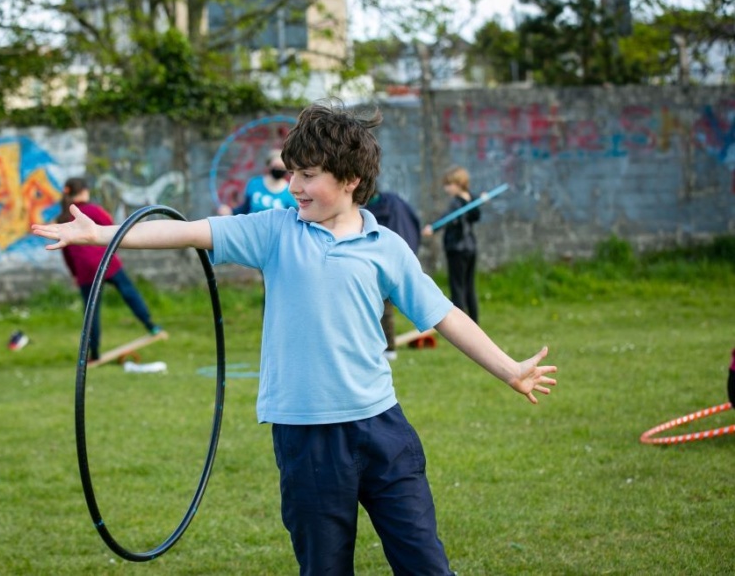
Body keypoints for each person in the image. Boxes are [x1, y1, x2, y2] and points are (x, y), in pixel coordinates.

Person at [33, 101, 557, 575]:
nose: (295, 186)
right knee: (324, 567)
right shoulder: (276, 231)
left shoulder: (386, 247)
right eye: (292, 174)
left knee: (424, 559)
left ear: (350, 178)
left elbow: (445, 315)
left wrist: (509, 368)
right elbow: (190, 230)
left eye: (308, 175)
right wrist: (101, 234)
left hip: (382, 428)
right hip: (306, 437)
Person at [54, 177, 162, 362]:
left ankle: (94, 353)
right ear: (84, 191)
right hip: (106, 262)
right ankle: (151, 326)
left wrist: (74, 274)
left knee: (91, 312)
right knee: (128, 292)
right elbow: (111, 225)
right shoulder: (92, 210)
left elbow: (65, 253)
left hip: (84, 270)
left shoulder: (62, 219)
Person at [365, 190, 421, 361]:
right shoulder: (388, 205)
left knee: (385, 308)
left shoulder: (389, 208)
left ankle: (388, 348)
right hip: (377, 264)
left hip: (386, 265)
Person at [423, 166, 481, 323]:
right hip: (471, 248)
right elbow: (476, 216)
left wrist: (433, 228)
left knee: (457, 288)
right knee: (469, 287)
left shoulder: (456, 203)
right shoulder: (471, 199)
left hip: (457, 249)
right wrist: (480, 199)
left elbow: (447, 218)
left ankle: (462, 325)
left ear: (458, 183)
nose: (446, 188)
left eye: (448, 184)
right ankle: (475, 323)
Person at [217, 149, 297, 215]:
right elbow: (245, 208)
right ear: (269, 166)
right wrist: (231, 211)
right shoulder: (254, 183)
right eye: (276, 166)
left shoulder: (291, 190)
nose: (279, 169)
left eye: (282, 167)